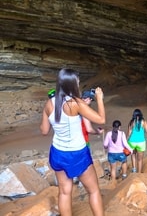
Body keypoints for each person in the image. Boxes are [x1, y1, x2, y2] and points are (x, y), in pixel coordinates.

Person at [40, 68, 106, 216]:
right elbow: (101, 119)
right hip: (77, 154)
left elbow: (44, 131)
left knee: (64, 192)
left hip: (57, 153)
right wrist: (100, 99)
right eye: (77, 82)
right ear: (72, 84)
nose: (78, 83)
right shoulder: (75, 103)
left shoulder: (49, 104)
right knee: (93, 190)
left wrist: (82, 107)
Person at [127, 108, 147, 173]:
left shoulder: (131, 122)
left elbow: (129, 134)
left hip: (132, 142)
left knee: (133, 155)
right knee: (140, 159)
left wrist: (126, 141)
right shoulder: (144, 122)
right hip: (141, 142)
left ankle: (134, 170)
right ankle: (139, 173)